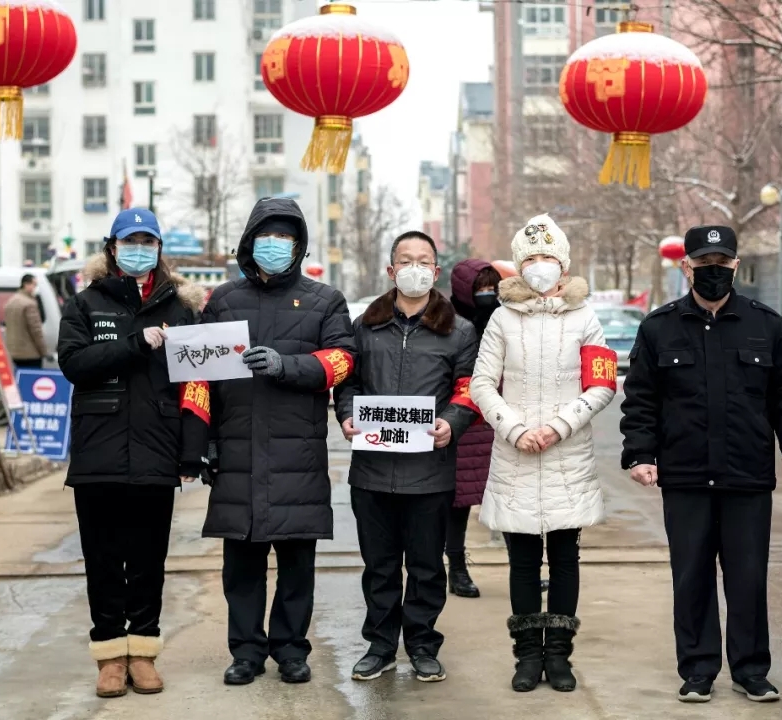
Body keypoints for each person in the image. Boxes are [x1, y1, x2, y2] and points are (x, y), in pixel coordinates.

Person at [620, 225, 782, 704]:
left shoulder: (766, 325)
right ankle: (698, 670)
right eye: (704, 264)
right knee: (691, 576)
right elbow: (641, 398)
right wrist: (641, 453)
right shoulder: (658, 328)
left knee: (748, 577)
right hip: (684, 475)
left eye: (722, 263)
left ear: (735, 265)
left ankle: (751, 670)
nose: (714, 271)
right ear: (686, 267)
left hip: (746, 475)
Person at [197, 197, 357, 687]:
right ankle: (246, 652)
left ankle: (290, 649)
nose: (275, 244)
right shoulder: (223, 300)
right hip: (237, 449)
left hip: (297, 453)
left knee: (296, 564)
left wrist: (288, 365)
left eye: (285, 236)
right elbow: (198, 376)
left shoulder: (325, 300)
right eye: (267, 235)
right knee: (241, 565)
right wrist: (202, 440)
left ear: (299, 245)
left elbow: (344, 360)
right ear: (249, 242)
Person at [57, 208, 209, 698]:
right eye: (130, 241)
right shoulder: (85, 304)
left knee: (148, 560)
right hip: (97, 452)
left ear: (159, 250)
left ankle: (143, 652)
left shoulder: (180, 309)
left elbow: (195, 384)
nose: (139, 250)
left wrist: (191, 453)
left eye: (148, 242)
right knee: (102, 560)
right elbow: (74, 363)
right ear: (112, 247)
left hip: (157, 450)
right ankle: (109, 656)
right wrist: (134, 343)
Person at [469, 214, 616, 693]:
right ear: (518, 265)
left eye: (547, 257)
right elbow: (482, 384)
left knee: (566, 557)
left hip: (567, 455)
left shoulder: (585, 318)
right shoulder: (502, 318)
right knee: (523, 561)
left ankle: (560, 656)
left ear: (563, 265)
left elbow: (602, 384)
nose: (539, 266)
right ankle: (528, 656)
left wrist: (558, 426)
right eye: (529, 258)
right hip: (515, 454)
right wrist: (515, 430)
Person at [334, 231, 479, 684]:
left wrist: (451, 423)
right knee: (378, 568)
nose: (414, 268)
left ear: (435, 271)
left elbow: (468, 389)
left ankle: (421, 645)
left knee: (426, 567)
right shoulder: (364, 326)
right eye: (405, 260)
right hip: (372, 472)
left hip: (429, 471)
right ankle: (380, 646)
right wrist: (346, 415)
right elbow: (348, 383)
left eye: (423, 261)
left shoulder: (459, 330)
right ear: (391, 270)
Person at [444, 258, 502, 599]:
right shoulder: (447, 320)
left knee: (508, 495)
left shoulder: (502, 318)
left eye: (493, 288)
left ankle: (523, 568)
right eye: (481, 288)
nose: (487, 294)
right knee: (460, 501)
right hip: (464, 421)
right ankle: (457, 569)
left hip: (500, 420)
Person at [4, 273, 47, 368]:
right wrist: (43, 351)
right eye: (34, 284)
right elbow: (36, 330)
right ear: (26, 284)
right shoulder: (29, 304)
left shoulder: (11, 301)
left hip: (13, 353)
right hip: (30, 354)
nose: (35, 288)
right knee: (32, 376)